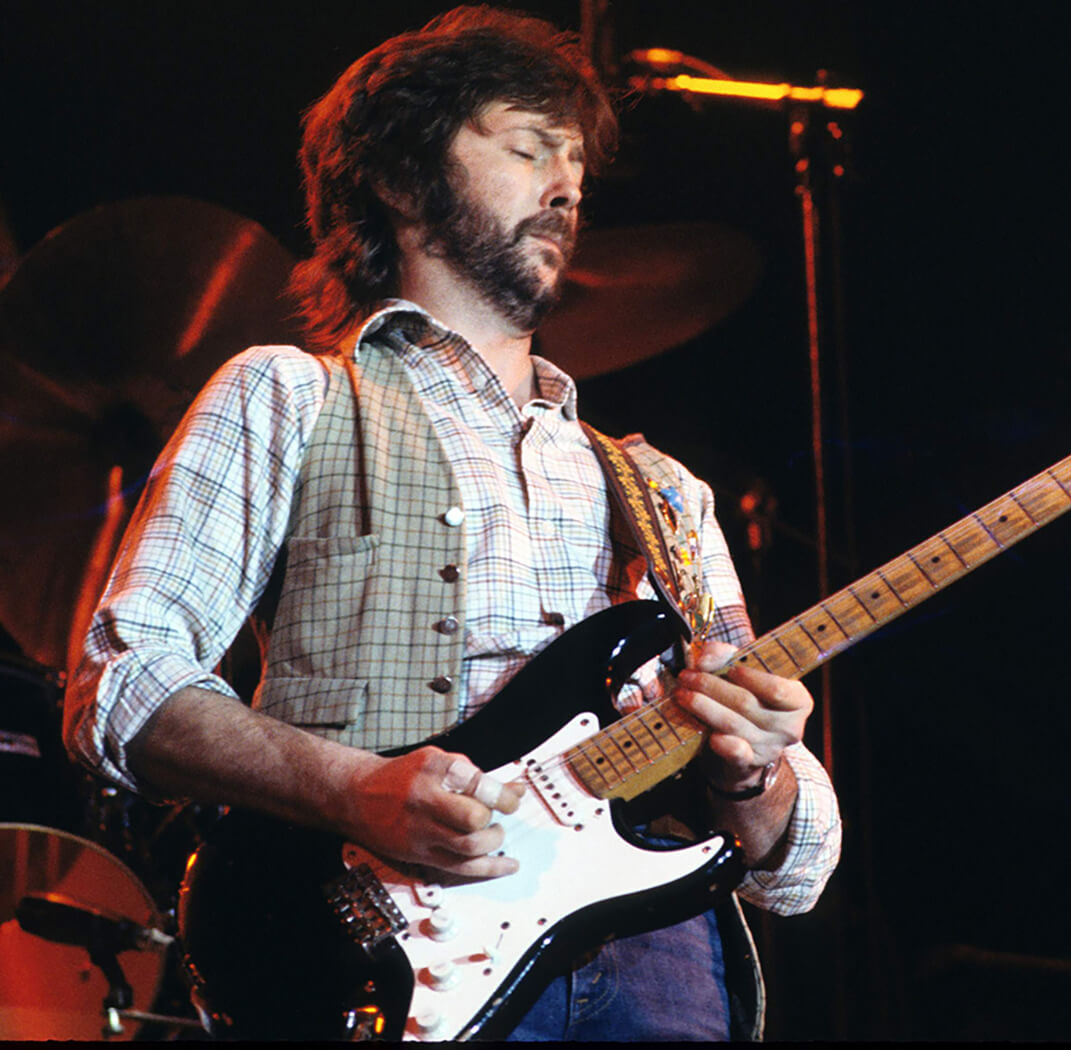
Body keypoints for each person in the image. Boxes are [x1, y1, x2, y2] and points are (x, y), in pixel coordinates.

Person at [63, 4, 840, 1041]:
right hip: (374, 954)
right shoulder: (289, 396)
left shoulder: (657, 490)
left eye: (574, 165)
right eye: (527, 148)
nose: (565, 186)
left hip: (655, 970)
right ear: (396, 179)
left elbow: (793, 870)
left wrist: (750, 768)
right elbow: (120, 685)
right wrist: (354, 791)